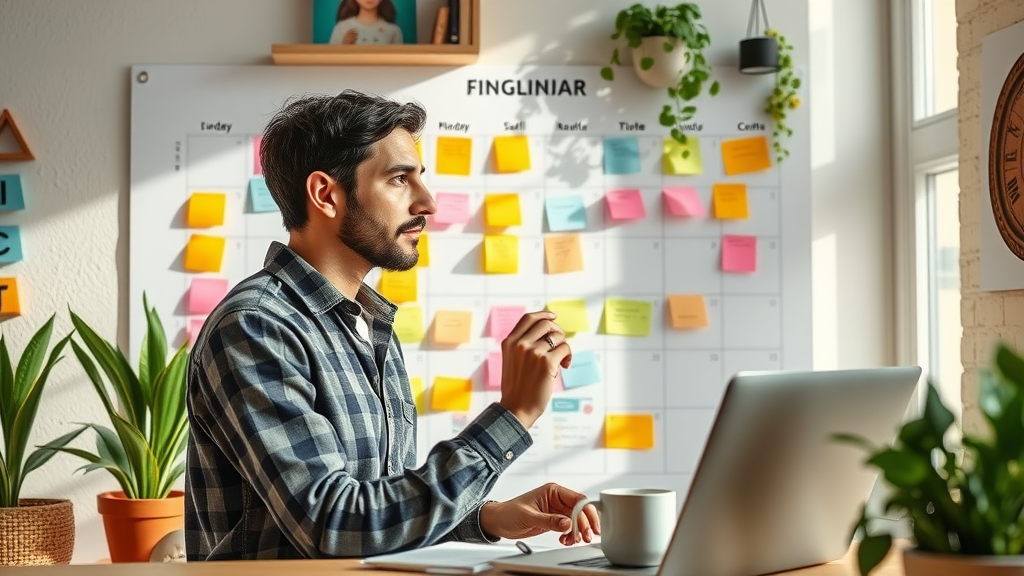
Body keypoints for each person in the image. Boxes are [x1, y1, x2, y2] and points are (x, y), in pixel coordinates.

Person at [184, 90, 600, 560]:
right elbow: (332, 525)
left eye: (420, 178)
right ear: (326, 194)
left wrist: (486, 517)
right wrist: (513, 416)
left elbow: (375, 511)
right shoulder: (257, 328)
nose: (427, 203)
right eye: (400, 178)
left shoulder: (369, 325)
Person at [329, 0, 403, 45]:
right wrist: (343, 46)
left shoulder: (393, 30)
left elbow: (400, 63)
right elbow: (329, 61)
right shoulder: (342, 28)